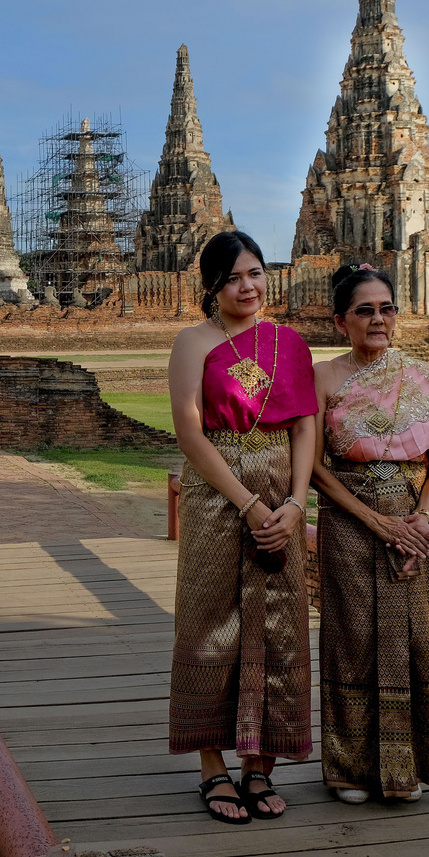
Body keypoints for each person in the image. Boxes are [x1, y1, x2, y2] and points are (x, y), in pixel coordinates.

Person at [311, 263, 429, 804]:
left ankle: (410, 767)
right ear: (341, 321)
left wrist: (422, 518)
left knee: (418, 640)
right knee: (353, 639)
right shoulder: (324, 378)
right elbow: (313, 467)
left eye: (386, 308)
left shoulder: (423, 378)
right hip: (350, 523)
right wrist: (375, 520)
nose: (378, 319)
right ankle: (349, 769)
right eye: (364, 310)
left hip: (414, 525)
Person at [166, 231, 317, 824]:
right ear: (212, 286)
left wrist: (297, 505)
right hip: (216, 495)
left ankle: (262, 765)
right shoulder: (193, 343)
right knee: (211, 618)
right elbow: (189, 433)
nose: (247, 286)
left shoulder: (289, 343)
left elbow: (305, 428)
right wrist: (248, 504)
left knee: (279, 624)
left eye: (254, 273)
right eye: (232, 278)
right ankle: (213, 766)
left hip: (284, 491)